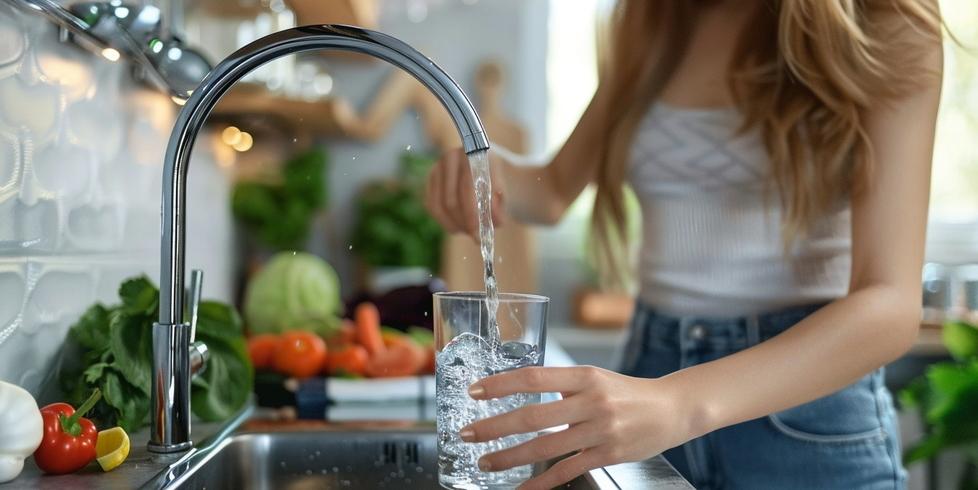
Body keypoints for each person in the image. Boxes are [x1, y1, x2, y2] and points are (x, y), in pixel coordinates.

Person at [424, 0, 944, 489]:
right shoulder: (657, 15)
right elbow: (556, 189)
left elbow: (891, 305)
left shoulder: (884, 18)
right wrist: (490, 175)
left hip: (807, 414)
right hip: (650, 378)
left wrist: (679, 403)